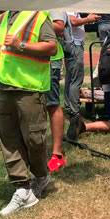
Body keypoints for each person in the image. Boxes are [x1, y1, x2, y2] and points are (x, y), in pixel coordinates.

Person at [0, 10, 56, 216]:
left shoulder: (38, 16)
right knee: (8, 138)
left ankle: (41, 176)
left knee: (34, 139)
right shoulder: (2, 18)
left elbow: (51, 47)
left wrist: (20, 45)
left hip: (29, 89)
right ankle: (22, 188)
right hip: (4, 88)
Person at [64, 12, 99, 138]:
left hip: (73, 44)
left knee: (70, 78)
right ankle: (74, 112)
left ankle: (69, 108)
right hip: (74, 45)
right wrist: (88, 19)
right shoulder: (70, 7)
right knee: (76, 80)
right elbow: (72, 21)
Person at [45, 10, 69, 172]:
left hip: (49, 60)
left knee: (52, 104)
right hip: (29, 60)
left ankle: (57, 153)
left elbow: (60, 27)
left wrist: (34, 20)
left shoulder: (52, 1)